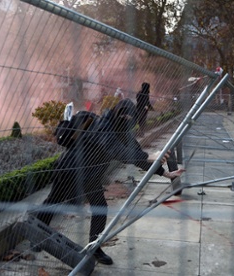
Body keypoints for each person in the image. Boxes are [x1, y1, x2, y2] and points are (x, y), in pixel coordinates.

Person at [33, 98, 184, 265]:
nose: (126, 122)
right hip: (70, 169)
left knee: (100, 208)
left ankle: (94, 247)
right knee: (54, 202)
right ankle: (36, 235)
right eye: (124, 117)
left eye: (129, 120)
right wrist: (149, 156)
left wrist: (165, 174)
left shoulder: (123, 133)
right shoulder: (101, 125)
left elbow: (137, 157)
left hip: (90, 176)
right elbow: (114, 149)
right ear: (116, 114)